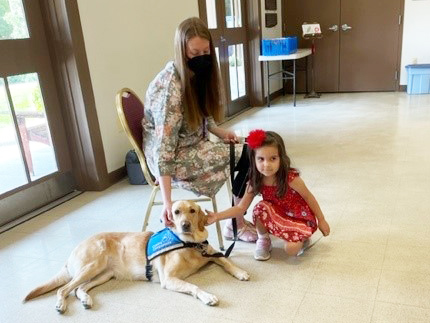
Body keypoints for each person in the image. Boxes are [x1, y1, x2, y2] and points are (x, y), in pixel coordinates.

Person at [142, 17, 256, 242]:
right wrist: (168, 202)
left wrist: (220, 132)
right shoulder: (170, 90)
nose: (202, 58)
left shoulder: (195, 75)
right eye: (195, 53)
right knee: (250, 157)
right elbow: (164, 149)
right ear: (181, 51)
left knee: (252, 149)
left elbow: (201, 114)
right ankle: (236, 223)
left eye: (206, 52)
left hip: (190, 145)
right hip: (171, 158)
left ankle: (236, 220)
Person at [207, 129, 330, 260]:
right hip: (277, 215)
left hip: (298, 217)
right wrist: (217, 216)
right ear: (253, 160)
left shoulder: (291, 178)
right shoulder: (255, 181)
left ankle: (302, 237)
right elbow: (240, 208)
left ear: (281, 158)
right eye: (261, 159)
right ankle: (263, 239)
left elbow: (308, 197)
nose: (266, 165)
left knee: (291, 250)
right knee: (260, 208)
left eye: (273, 158)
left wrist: (321, 220)